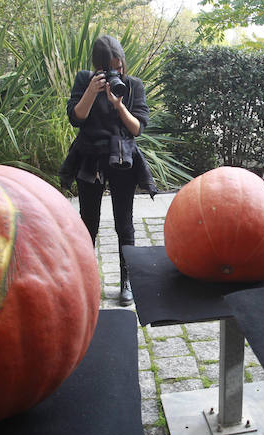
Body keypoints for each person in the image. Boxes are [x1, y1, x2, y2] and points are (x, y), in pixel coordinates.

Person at [59, 35, 156, 306]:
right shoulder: (84, 80)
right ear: (99, 66)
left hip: (122, 158)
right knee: (87, 222)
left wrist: (119, 104)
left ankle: (128, 281)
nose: (117, 72)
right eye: (111, 68)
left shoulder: (133, 85)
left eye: (120, 66)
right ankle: (86, 280)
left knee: (123, 222)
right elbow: (76, 118)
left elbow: (137, 128)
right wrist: (92, 90)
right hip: (90, 156)